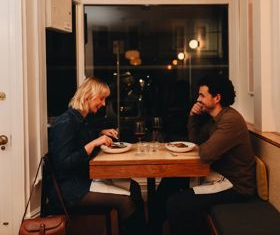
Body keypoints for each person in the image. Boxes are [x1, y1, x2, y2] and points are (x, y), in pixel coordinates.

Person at [151, 74, 256, 235]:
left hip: (234, 186)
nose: (198, 99)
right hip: (216, 175)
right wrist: (193, 117)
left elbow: (205, 154)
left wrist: (202, 145)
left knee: (176, 203)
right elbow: (196, 140)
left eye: (202, 95)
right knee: (168, 183)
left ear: (217, 98)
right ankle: (153, 230)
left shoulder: (230, 121)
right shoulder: (214, 119)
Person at [46, 76, 146, 235]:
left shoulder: (79, 119)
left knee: (133, 186)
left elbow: (79, 139)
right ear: (87, 95)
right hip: (70, 190)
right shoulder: (66, 123)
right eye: (101, 98)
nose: (104, 103)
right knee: (125, 201)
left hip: (83, 179)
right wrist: (93, 143)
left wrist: (100, 133)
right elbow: (63, 164)